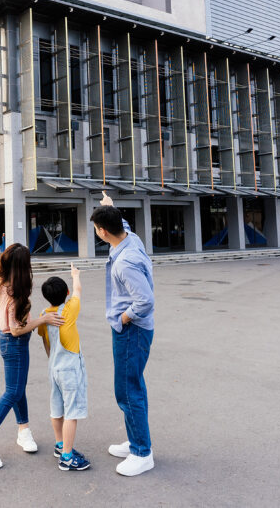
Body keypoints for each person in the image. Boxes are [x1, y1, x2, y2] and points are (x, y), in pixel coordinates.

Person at [0, 219, 63, 469]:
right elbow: (16, 329)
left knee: (18, 388)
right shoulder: (13, 293)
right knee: (12, 392)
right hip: (14, 342)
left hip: (10, 342)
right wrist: (43, 319)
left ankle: (24, 430)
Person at [92, 192, 156, 477]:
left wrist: (123, 318)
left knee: (128, 390)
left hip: (132, 330)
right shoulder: (130, 238)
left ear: (103, 232)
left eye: (97, 228)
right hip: (133, 330)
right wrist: (109, 206)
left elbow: (145, 301)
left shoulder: (125, 262)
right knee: (131, 387)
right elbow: (123, 224)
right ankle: (135, 441)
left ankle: (142, 452)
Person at [36, 267, 90, 471]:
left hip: (54, 367)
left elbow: (46, 341)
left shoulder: (44, 315)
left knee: (57, 407)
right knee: (71, 412)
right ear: (66, 292)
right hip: (70, 369)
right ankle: (67, 456)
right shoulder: (68, 311)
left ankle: (60, 444)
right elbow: (78, 290)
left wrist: (52, 359)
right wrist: (76, 275)